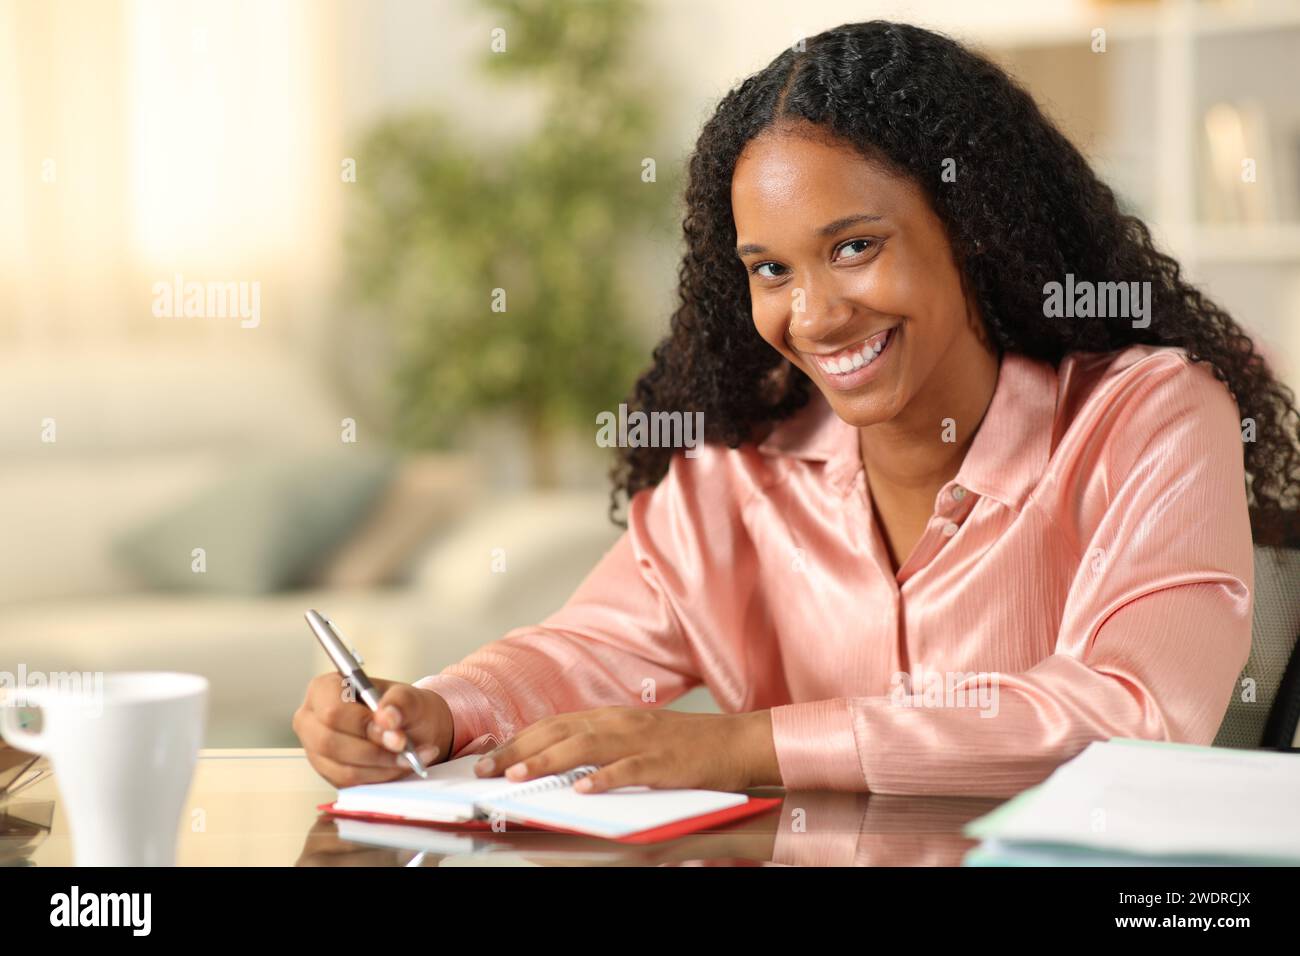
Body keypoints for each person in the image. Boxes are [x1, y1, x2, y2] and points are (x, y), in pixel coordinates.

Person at [294, 21, 1300, 797]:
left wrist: (747, 741)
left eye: (855, 245)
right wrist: (431, 708)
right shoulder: (744, 465)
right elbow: (585, 647)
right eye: (770, 268)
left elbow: (1128, 712)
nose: (813, 313)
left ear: (973, 229)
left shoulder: (1148, 416)